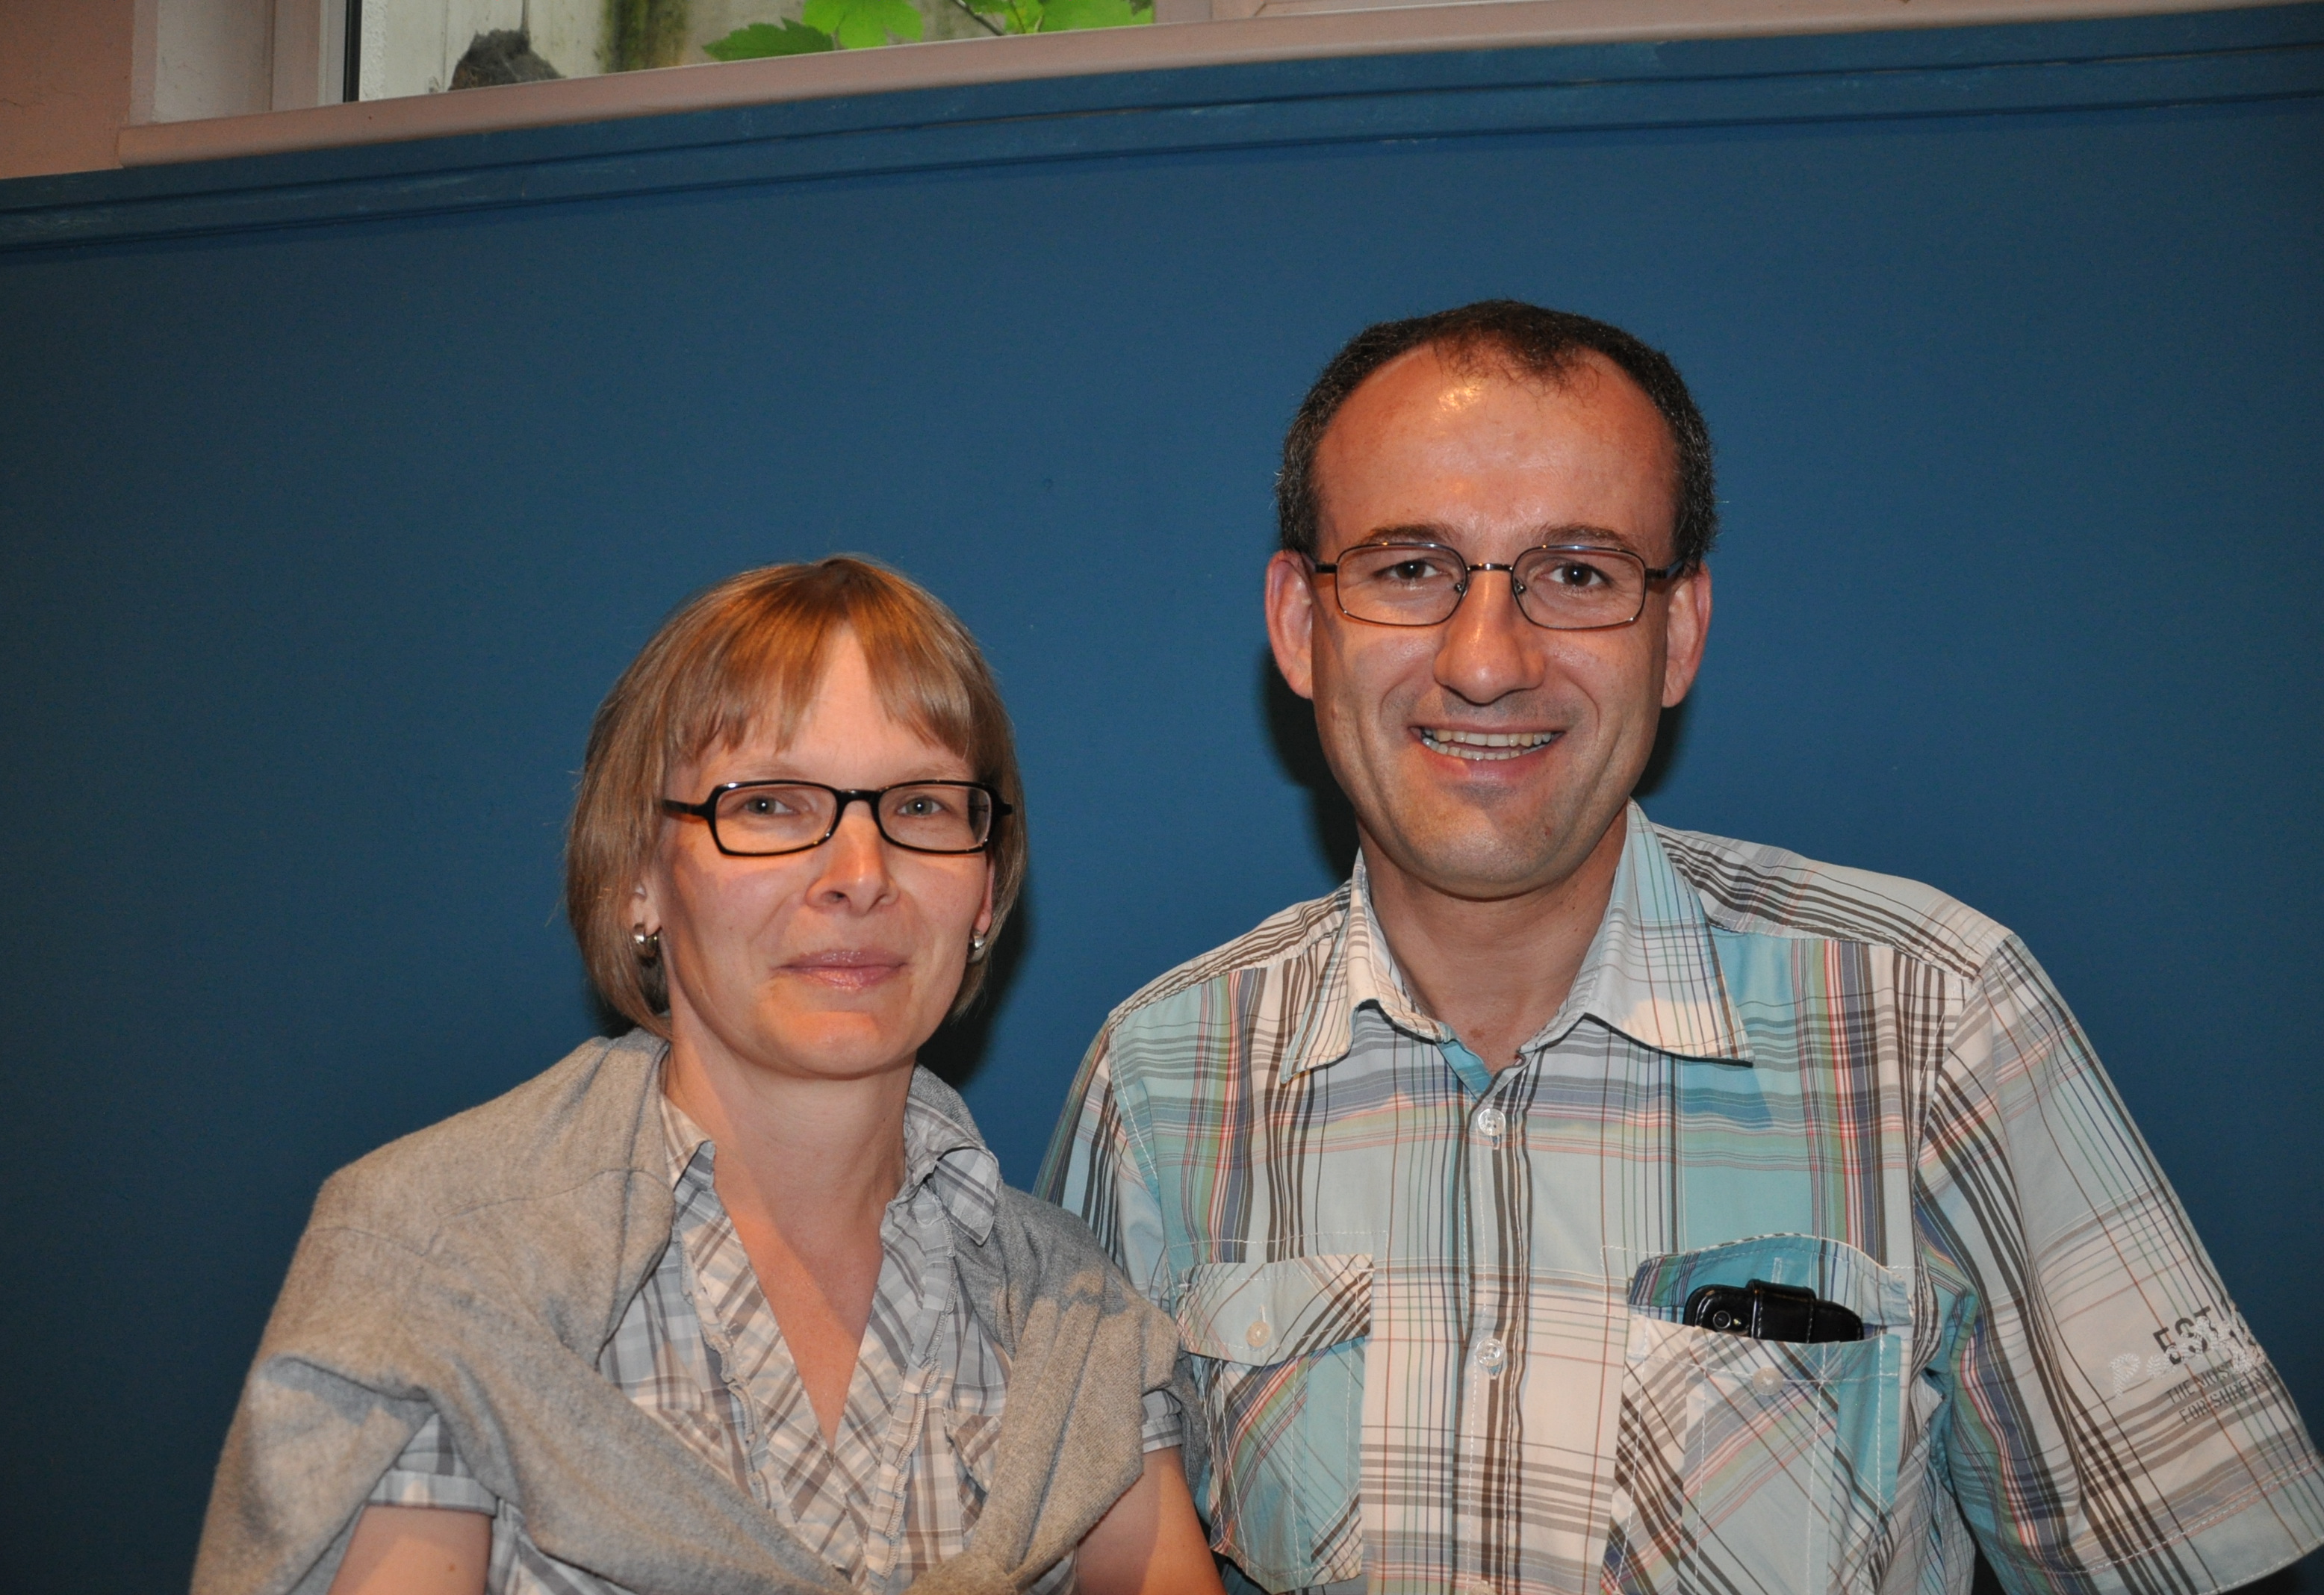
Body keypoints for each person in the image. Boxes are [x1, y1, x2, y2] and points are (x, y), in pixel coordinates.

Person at [1038, 302, 2324, 1595]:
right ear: (1300, 622)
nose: (1486, 662)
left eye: (1578, 575)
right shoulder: (1158, 1083)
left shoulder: (1938, 1022)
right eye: (1412, 568)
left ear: (1682, 633)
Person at [196, 556, 1222, 1595]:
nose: (860, 877)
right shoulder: (439, 1263)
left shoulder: (1077, 1319)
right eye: (770, 804)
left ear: (986, 891)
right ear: (638, 875)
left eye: (919, 806)